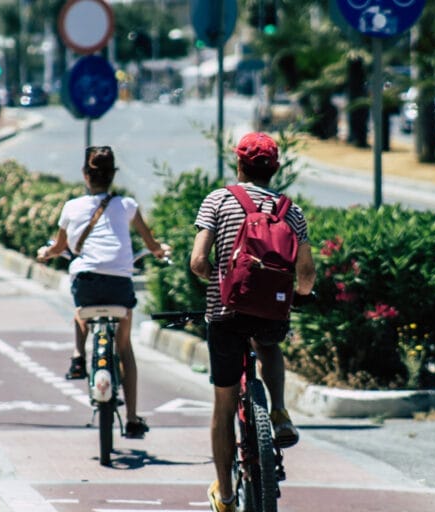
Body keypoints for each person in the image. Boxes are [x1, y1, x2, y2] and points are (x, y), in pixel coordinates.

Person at [190, 132, 316, 512]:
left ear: (239, 164)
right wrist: (301, 297)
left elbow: (198, 261)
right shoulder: (290, 211)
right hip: (272, 311)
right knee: (269, 345)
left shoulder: (218, 200)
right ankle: (278, 410)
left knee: (224, 405)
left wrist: (218, 282)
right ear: (274, 168)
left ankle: (226, 496)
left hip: (226, 314)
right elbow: (306, 271)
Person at [37, 145, 168, 439]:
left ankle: (77, 354)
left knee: (81, 308)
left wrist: (46, 253)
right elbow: (150, 242)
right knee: (124, 347)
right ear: (113, 176)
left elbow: (60, 248)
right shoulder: (128, 206)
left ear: (86, 175)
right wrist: (160, 251)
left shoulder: (71, 207)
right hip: (120, 285)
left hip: (86, 283)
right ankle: (132, 418)